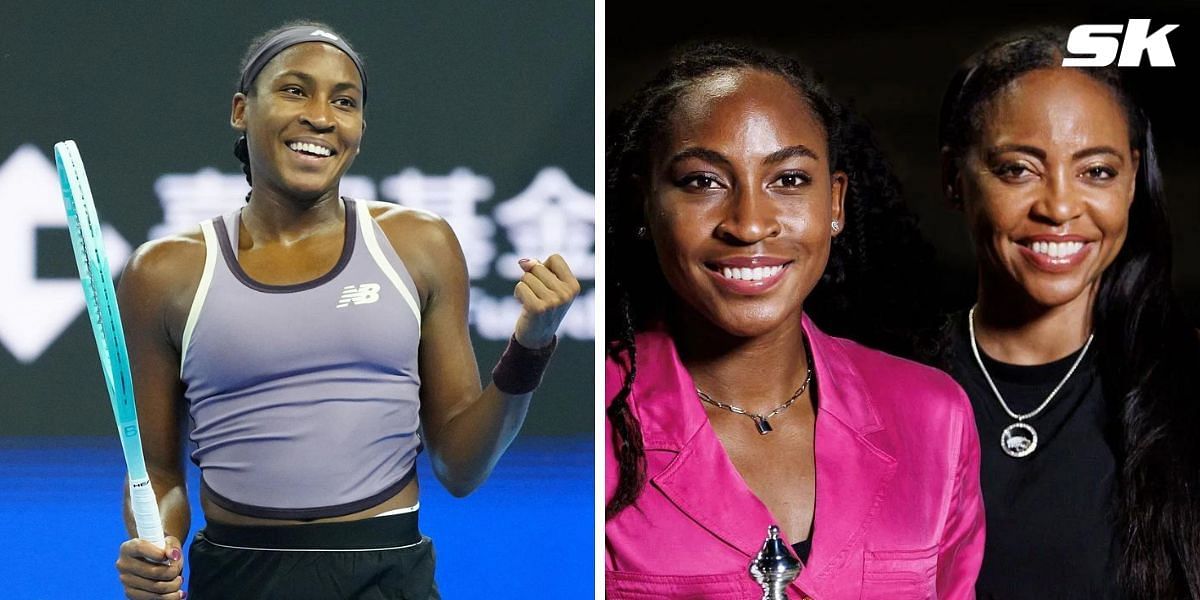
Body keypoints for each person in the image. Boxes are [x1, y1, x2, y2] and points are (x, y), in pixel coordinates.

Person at [112, 22, 579, 599]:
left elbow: (460, 467)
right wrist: (155, 548)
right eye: (294, 90)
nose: (320, 116)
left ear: (358, 127)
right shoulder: (163, 274)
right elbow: (157, 472)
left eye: (345, 101)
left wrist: (530, 348)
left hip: (387, 578)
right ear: (241, 110)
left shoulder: (419, 245)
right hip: (234, 577)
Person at [604, 42, 984, 599]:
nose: (750, 224)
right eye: (703, 182)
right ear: (645, 204)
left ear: (834, 204)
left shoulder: (934, 416)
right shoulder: (594, 419)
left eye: (788, 180)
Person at [935, 29, 1200, 599]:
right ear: (954, 179)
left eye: (1097, 172)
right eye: (1017, 169)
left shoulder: (1186, 387)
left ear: (1132, 177)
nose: (1059, 206)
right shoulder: (883, 389)